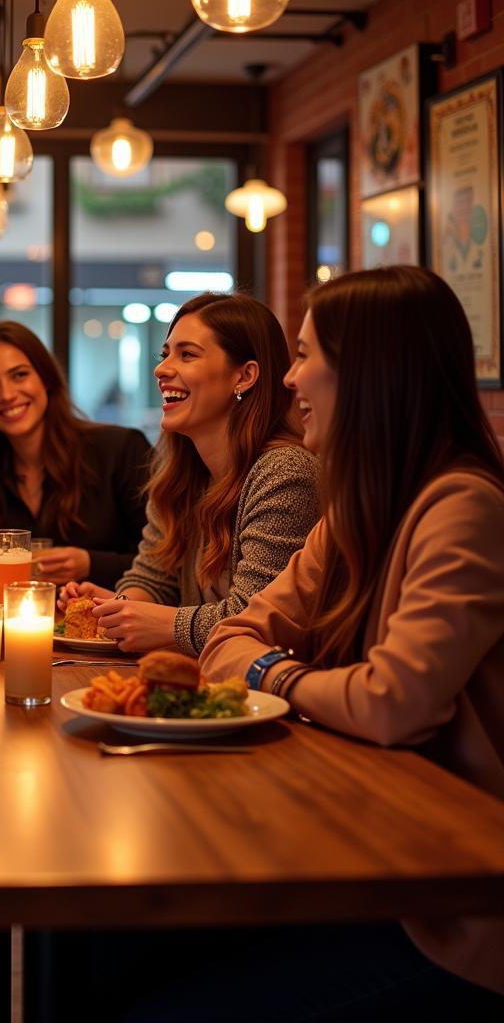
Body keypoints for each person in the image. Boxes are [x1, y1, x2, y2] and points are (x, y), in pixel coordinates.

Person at [181, 265, 504, 1015]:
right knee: (118, 954)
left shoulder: (463, 508)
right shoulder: (362, 506)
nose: (290, 380)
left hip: (455, 905)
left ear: (369, 373)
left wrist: (275, 675)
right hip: (370, 849)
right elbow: (231, 633)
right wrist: (270, 662)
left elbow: (395, 702)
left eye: (304, 355)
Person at [58, 292, 320, 656]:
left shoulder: (285, 473)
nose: (161, 369)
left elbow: (258, 619)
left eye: (187, 354)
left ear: (244, 376)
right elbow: (154, 576)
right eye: (165, 354)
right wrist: (118, 607)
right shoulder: (181, 473)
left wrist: (161, 623)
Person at [0, 320, 151, 596]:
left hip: (107, 634)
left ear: (46, 378)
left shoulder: (120, 449)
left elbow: (168, 565)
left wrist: (90, 563)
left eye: (19, 375)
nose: (7, 395)